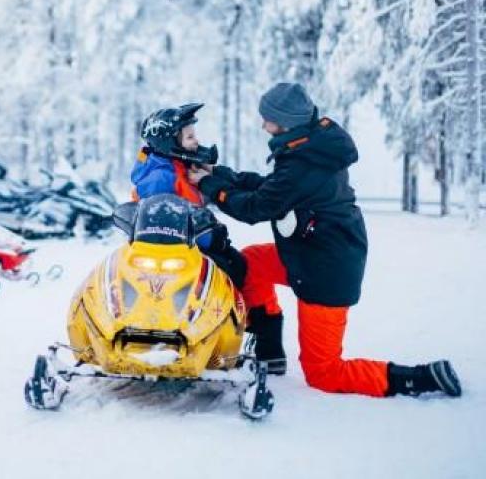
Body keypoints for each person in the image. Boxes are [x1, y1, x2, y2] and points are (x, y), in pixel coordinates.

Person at [189, 82, 461, 398]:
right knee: (251, 263)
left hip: (325, 271)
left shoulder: (303, 161)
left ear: (285, 122)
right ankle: (270, 350)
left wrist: (212, 187)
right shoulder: (308, 149)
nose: (263, 125)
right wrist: (220, 174)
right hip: (311, 254)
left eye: (268, 119)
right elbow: (272, 188)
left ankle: (422, 378)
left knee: (324, 373)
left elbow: (256, 207)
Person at [130, 102, 247, 289]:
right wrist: (210, 237)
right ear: (169, 142)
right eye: (190, 137)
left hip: (189, 247)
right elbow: (163, 228)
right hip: (174, 256)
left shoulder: (180, 168)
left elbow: (192, 205)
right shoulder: (161, 177)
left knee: (238, 265)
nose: (196, 142)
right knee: (234, 270)